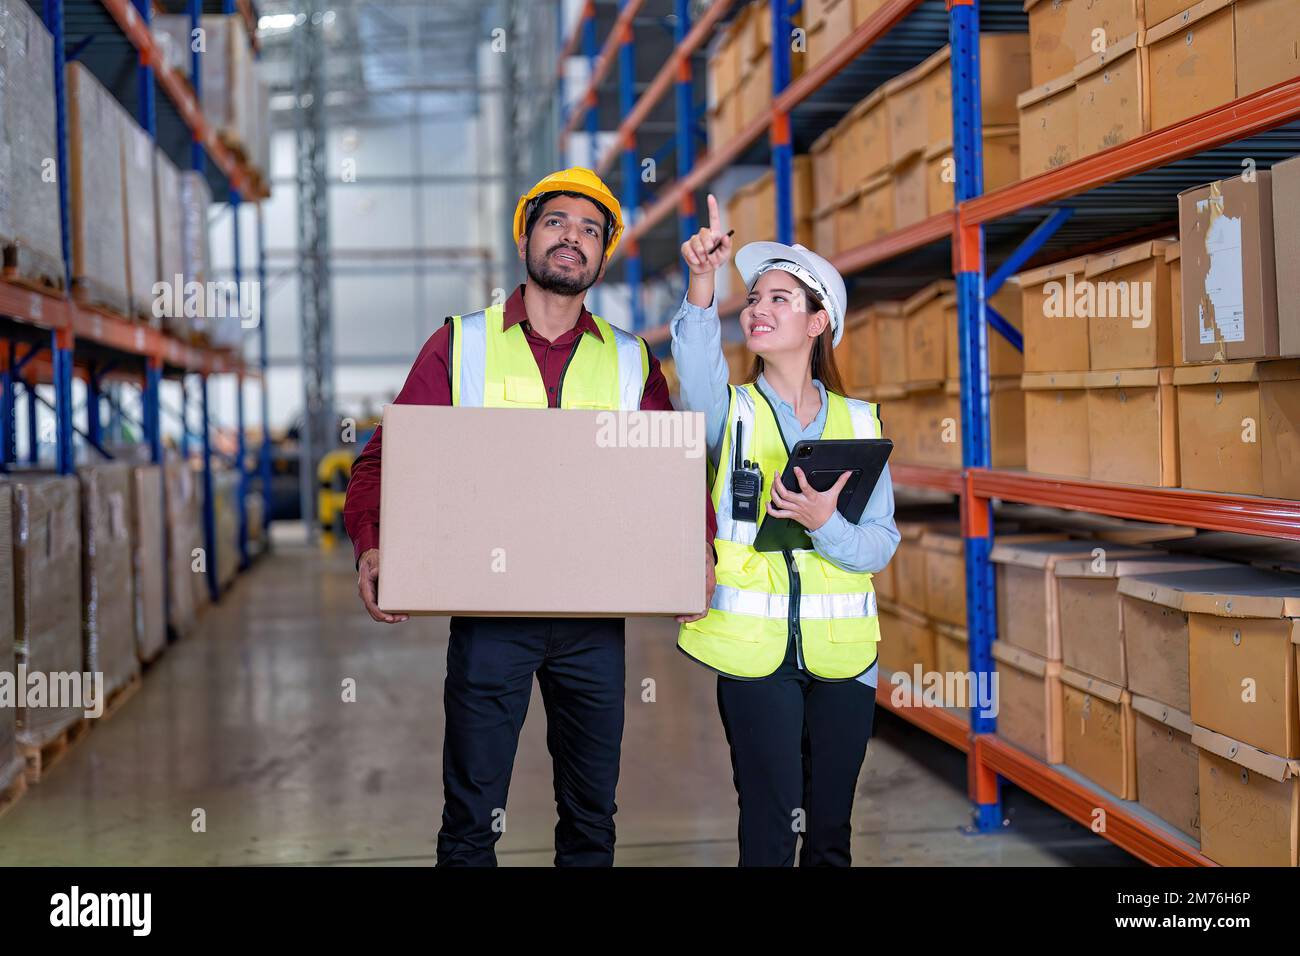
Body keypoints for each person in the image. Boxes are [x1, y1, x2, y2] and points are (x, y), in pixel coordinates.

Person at [343, 168, 718, 867]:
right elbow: (382, 461)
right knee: (470, 818)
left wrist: (694, 546)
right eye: (557, 223)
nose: (572, 238)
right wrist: (373, 544)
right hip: (490, 618)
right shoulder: (461, 344)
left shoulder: (633, 360)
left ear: (603, 255)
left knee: (589, 816)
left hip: (593, 621)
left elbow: (670, 473)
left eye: (590, 229)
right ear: (526, 236)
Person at [670, 194, 899, 867]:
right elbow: (698, 362)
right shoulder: (730, 412)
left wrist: (826, 525)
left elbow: (880, 544)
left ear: (818, 322)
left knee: (830, 834)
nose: (758, 309)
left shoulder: (860, 422)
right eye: (754, 299)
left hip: (845, 659)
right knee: (768, 832)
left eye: (780, 299)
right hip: (752, 655)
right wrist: (703, 282)